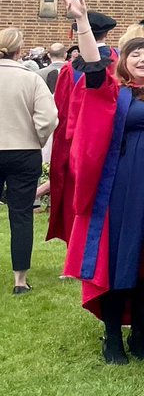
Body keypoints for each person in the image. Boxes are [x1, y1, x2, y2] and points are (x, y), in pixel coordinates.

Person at [59, 0, 144, 364]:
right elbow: (92, 62)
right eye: (135, 54)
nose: (143, 58)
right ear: (124, 61)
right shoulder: (112, 91)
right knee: (120, 258)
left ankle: (139, 335)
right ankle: (112, 335)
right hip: (121, 189)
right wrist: (82, 20)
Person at [46, 11, 117, 249]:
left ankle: (75, 248)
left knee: (77, 195)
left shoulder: (71, 68)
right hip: (115, 140)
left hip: (78, 140)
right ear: (107, 33)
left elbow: (62, 110)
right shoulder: (120, 59)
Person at [0, 27, 58, 295]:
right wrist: (37, 138)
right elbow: (48, 117)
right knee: (21, 215)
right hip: (23, 150)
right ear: (20, 51)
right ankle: (19, 280)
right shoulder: (31, 79)